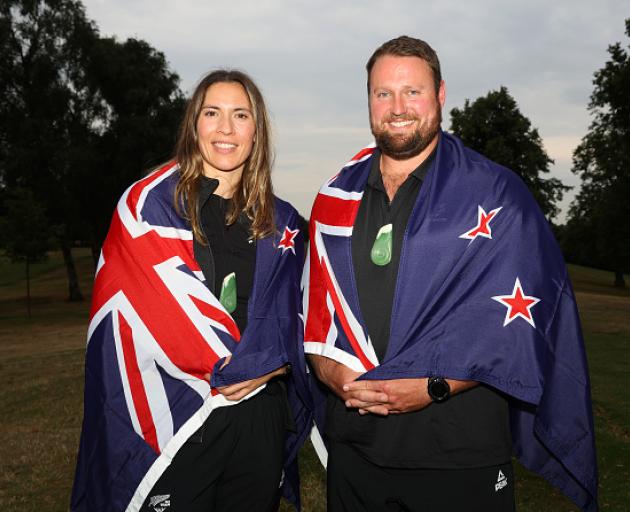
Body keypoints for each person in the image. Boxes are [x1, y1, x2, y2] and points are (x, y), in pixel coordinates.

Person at [303, 36, 597, 512]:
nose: (397, 107)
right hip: (355, 448)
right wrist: (328, 370)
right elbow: (315, 307)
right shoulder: (336, 197)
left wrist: (434, 386)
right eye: (383, 94)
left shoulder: (498, 193)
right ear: (370, 101)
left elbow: (520, 325)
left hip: (458, 451)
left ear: (440, 95)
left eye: (412, 92)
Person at [71, 70, 311, 512]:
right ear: (193, 125)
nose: (225, 128)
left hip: (259, 418)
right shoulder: (146, 211)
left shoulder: (286, 225)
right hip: (177, 416)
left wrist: (272, 368)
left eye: (240, 115)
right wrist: (234, 364)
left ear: (256, 131)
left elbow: (303, 324)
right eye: (212, 113)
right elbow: (136, 318)